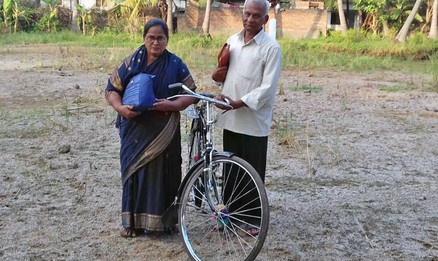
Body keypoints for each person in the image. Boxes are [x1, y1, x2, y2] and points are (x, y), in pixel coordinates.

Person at [105, 18, 196, 238]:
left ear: (167, 39)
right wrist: (121, 109)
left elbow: (191, 94)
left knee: (165, 173)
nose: (155, 42)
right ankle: (132, 222)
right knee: (133, 173)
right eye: (151, 38)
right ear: (144, 38)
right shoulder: (130, 63)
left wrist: (173, 104)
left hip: (164, 129)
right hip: (134, 129)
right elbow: (111, 90)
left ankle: (165, 223)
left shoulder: (175, 64)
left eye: (160, 38)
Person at [215, 0, 282, 234]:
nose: (250, 19)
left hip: (253, 120)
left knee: (252, 170)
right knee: (230, 170)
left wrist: (240, 102)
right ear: (241, 15)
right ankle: (228, 217)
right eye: (247, 14)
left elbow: (267, 88)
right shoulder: (232, 41)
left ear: (265, 20)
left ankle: (253, 220)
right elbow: (227, 75)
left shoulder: (271, 48)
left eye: (256, 16)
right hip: (230, 117)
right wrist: (219, 84)